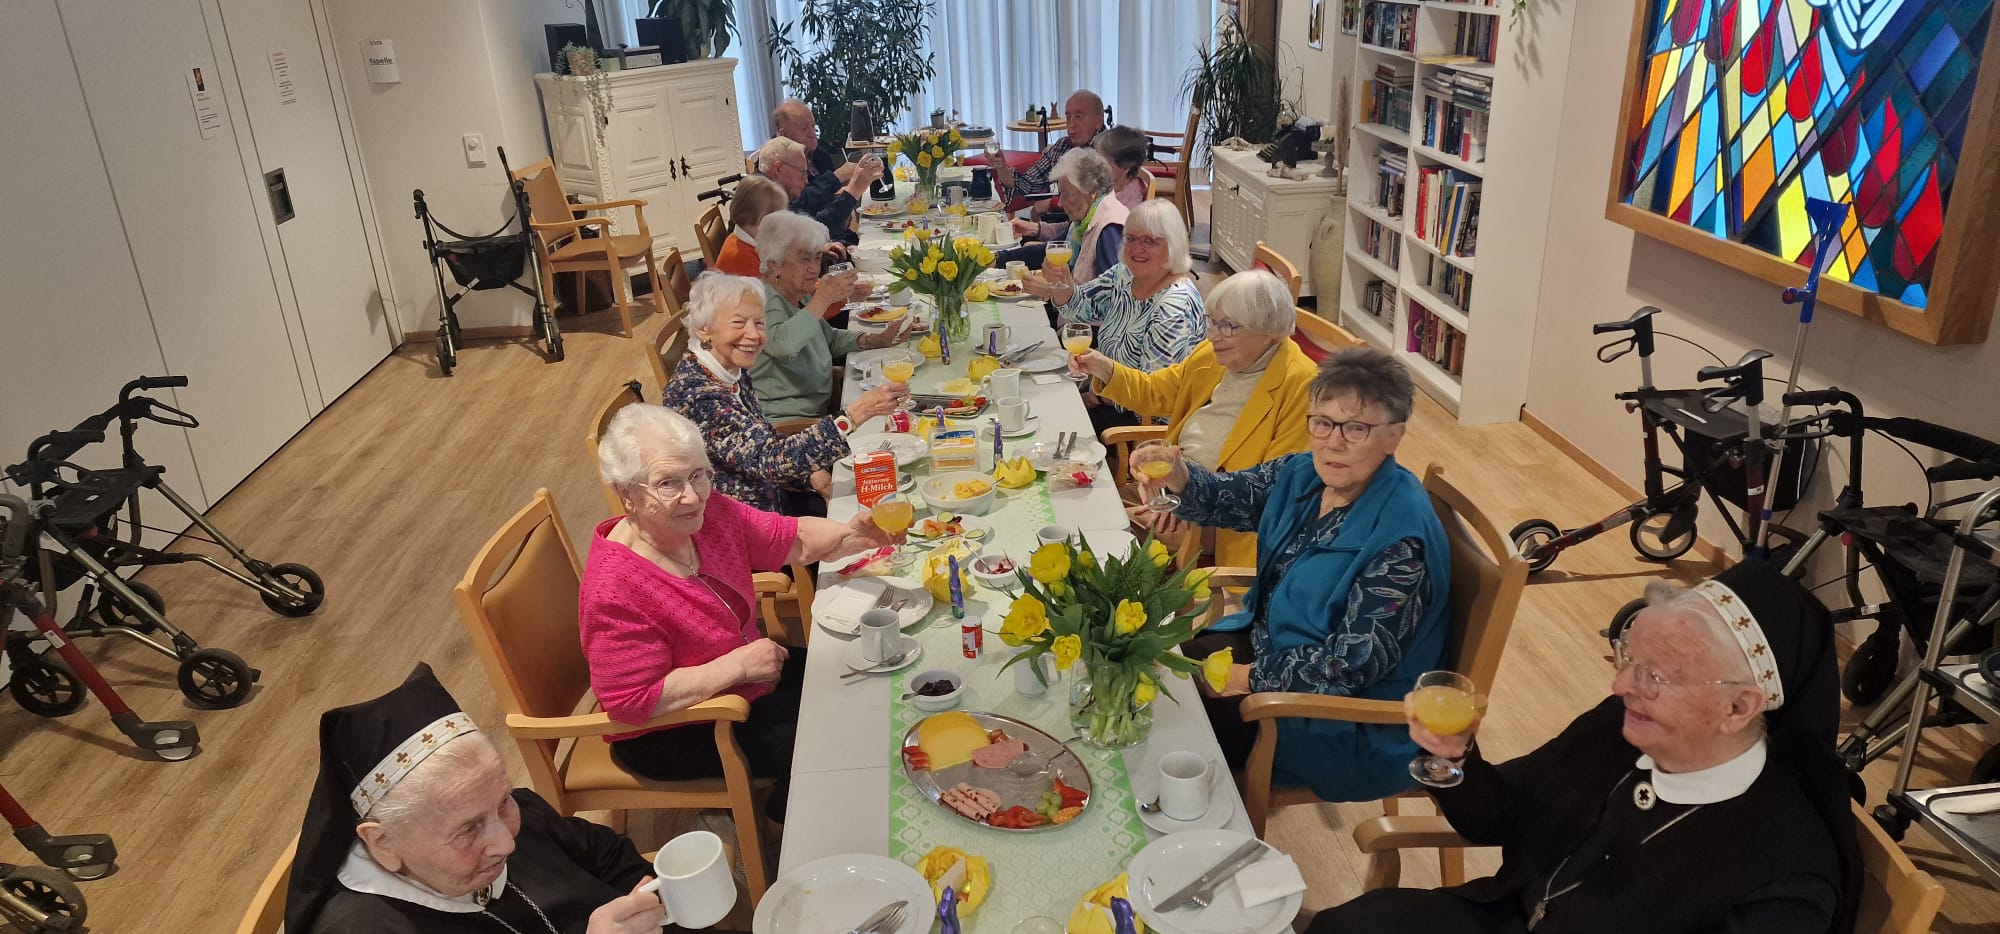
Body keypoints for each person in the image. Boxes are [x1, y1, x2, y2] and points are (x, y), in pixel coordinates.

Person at [1307, 560, 1859, 934]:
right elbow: (1501, 816)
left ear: (1739, 707)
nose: (1622, 687)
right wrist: (1452, 757)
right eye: (1626, 659)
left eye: (1656, 676)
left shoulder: (1784, 879)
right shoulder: (1624, 727)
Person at [1133, 347, 1451, 802]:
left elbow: (1349, 666)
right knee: (1142, 666)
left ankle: (1179, 837)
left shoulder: (1402, 544)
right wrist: (1178, 472)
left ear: (1394, 436)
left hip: (1336, 719)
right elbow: (1230, 496)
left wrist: (1246, 679)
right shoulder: (1304, 473)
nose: (1332, 442)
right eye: (1321, 422)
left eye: (1356, 428)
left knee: (1164, 725)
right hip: (1268, 651)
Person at [582, 404, 902, 823]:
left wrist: (851, 536)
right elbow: (631, 700)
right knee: (836, 742)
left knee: (865, 685)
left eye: (699, 474)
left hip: (750, 675)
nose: (692, 495)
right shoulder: (615, 587)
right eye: (668, 483)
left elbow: (791, 540)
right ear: (627, 494)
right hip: (677, 727)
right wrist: (736, 666)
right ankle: (790, 825)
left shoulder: (707, 512)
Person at [286, 663, 671, 933]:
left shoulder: (493, 806)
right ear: (384, 842)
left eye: (504, 800)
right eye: (468, 830)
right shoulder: (365, 928)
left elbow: (602, 851)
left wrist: (656, 901)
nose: (506, 842)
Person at [1068, 269, 1316, 567]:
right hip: (1170, 484)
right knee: (1078, 505)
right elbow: (1156, 391)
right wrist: (1104, 368)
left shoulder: (1301, 384)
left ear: (1268, 332)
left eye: (1229, 326)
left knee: (1090, 534)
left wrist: (1185, 497)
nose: (1213, 335)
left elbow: (1272, 488)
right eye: (1212, 322)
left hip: (1222, 519)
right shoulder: (1213, 355)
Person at [663, 272, 906, 515]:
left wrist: (811, 474)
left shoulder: (729, 370)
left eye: (759, 323)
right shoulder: (698, 395)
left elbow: (761, 439)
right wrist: (855, 415)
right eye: (739, 323)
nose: (754, 335)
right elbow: (767, 460)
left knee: (885, 493)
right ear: (703, 329)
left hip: (775, 493)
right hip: (741, 520)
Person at [1030, 200, 1206, 433]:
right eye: (1131, 239)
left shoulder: (1174, 308)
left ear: (1173, 245)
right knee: (1034, 400)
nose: (1136, 249)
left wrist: (1094, 398)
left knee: (1047, 425)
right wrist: (1060, 281)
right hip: (1106, 392)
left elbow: (1152, 397)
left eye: (1150, 241)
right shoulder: (1125, 274)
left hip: (1140, 424)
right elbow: (1080, 309)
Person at [752, 211, 910, 420]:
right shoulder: (762, 302)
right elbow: (783, 346)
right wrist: (823, 299)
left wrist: (873, 340)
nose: (814, 268)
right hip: (790, 425)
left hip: (821, 409)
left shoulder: (797, 294)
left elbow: (829, 339)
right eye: (804, 259)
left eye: (817, 257)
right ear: (774, 264)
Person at [1016, 148, 1125, 279]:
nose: (1060, 203)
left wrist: (1055, 290)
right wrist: (998, 259)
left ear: (1090, 191)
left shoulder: (1108, 228)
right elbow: (1048, 250)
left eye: (1066, 195)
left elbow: (1109, 294)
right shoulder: (1083, 221)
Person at [753, 135, 879, 246]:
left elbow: (811, 218)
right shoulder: (762, 201)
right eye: (802, 173)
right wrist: (853, 191)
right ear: (779, 168)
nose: (806, 180)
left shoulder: (777, 192)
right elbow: (816, 233)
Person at [992, 89, 1106, 207]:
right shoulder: (1063, 146)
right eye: (1068, 117)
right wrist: (1001, 165)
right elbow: (1027, 184)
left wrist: (1052, 203)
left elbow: (1097, 200)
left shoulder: (1109, 150)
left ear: (1098, 121)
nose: (1071, 124)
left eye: (1078, 117)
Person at [713, 175, 790, 278]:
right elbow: (777, 291)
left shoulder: (749, 240)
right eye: (776, 219)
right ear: (752, 217)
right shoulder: (740, 259)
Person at [1094, 125, 1157, 208]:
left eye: (1106, 162)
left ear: (1125, 167)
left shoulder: (1131, 201)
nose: (1099, 166)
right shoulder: (1112, 184)